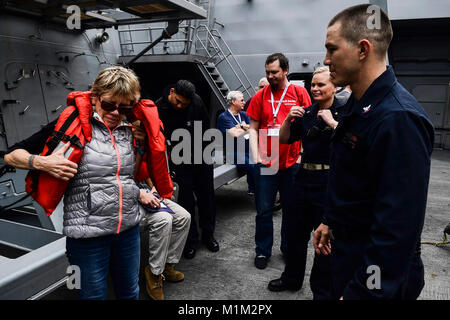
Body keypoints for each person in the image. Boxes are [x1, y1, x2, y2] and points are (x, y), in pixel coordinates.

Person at [4, 66, 169, 300]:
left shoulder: (132, 128)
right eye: (109, 105)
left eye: (124, 108)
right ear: (94, 97)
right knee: (92, 297)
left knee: (130, 293)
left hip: (128, 232)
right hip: (88, 238)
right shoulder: (71, 125)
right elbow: (11, 154)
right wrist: (43, 162)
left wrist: (141, 147)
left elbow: (130, 175)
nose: (116, 112)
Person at [313, 4, 434, 300]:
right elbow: (353, 177)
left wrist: (363, 293)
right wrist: (331, 219)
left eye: (332, 49)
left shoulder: (398, 118)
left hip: (374, 273)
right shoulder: (359, 105)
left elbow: (396, 229)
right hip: (349, 250)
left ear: (362, 49)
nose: (326, 60)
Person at [268, 66, 344, 299]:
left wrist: (332, 122)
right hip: (302, 181)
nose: (315, 88)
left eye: (321, 84)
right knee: (294, 235)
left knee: (324, 241)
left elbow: (356, 142)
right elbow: (283, 138)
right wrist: (289, 119)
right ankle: (292, 279)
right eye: (313, 84)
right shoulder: (308, 112)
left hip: (328, 183)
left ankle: (321, 291)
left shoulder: (345, 112)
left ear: (335, 87)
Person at [247, 53, 311, 269]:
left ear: (285, 70)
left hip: (291, 160)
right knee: (264, 209)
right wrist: (256, 156)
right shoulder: (260, 96)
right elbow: (253, 129)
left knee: (291, 209)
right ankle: (263, 251)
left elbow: (306, 128)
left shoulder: (299, 93)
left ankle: (287, 247)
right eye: (267, 72)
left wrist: (301, 155)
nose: (271, 76)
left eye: (274, 72)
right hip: (267, 160)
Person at [155, 80, 219, 259]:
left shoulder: (196, 101)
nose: (180, 105)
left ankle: (208, 235)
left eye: (184, 104)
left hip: (201, 159)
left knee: (207, 198)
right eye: (178, 101)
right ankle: (191, 241)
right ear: (172, 91)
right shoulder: (159, 108)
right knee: (186, 202)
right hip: (178, 163)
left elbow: (206, 128)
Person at [138, 177, 191, 301]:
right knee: (164, 220)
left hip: (145, 190)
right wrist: (140, 193)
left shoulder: (142, 157)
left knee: (184, 217)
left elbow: (148, 173)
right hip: (129, 198)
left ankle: (166, 265)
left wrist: (155, 189)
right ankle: (154, 273)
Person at [217, 90, 255, 195]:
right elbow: (235, 134)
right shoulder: (224, 117)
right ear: (233, 101)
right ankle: (256, 190)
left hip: (248, 149)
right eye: (242, 100)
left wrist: (241, 126)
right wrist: (246, 128)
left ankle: (253, 189)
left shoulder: (243, 114)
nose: (244, 102)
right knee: (253, 165)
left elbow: (254, 127)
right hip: (234, 153)